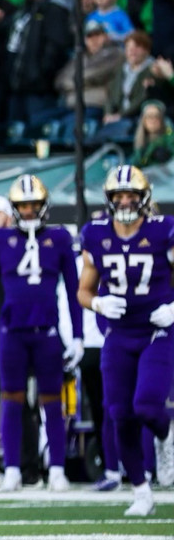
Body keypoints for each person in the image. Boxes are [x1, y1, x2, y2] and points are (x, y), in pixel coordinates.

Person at [78, 166, 172, 517]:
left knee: (147, 405)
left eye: (132, 195)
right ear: (110, 199)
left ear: (144, 198)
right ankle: (142, 491)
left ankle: (165, 435)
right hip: (117, 334)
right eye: (119, 196)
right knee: (119, 415)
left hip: (156, 331)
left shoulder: (164, 231)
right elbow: (84, 292)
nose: (126, 201)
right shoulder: (97, 234)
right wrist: (98, 303)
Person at [0, 176, 83, 493]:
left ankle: (56, 468)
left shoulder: (60, 238)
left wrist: (77, 335)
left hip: (47, 331)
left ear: (44, 206)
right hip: (12, 331)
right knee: (11, 400)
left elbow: (73, 290)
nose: (28, 211)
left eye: (33, 205)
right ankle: (11, 469)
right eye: (23, 205)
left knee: (52, 401)